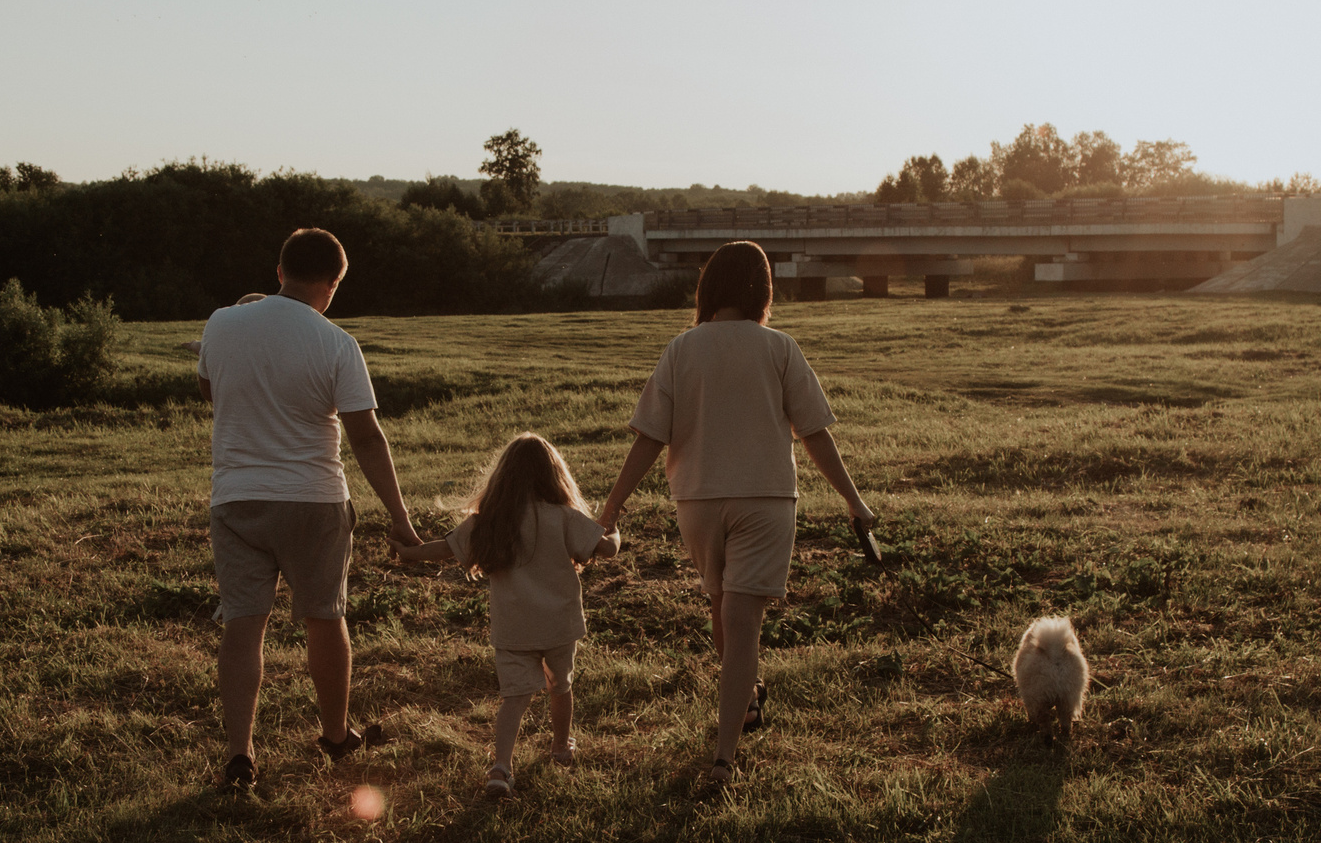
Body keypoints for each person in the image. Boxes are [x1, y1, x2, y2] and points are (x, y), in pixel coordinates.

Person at [595, 240, 875, 787]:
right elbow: (814, 433)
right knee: (742, 624)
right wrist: (853, 499)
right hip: (766, 499)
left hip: (697, 502)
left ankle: (744, 706)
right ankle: (725, 758)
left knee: (725, 612)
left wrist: (612, 505)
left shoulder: (682, 348)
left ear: (709, 289)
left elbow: (650, 437)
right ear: (764, 291)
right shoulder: (779, 347)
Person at [197, 227, 422, 787]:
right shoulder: (337, 342)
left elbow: (211, 391)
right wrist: (400, 517)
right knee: (325, 617)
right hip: (314, 500)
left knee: (243, 626)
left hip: (237, 496)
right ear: (334, 282)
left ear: (278, 270)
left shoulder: (221, 323)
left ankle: (239, 754)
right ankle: (336, 735)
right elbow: (367, 437)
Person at [395, 433, 619, 799]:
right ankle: (561, 748)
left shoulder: (491, 521)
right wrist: (615, 529)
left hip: (513, 628)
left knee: (513, 699)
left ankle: (501, 768)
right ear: (554, 476)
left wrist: (408, 552)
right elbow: (607, 549)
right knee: (560, 685)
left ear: (503, 476)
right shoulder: (563, 516)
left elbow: (444, 550)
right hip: (559, 624)